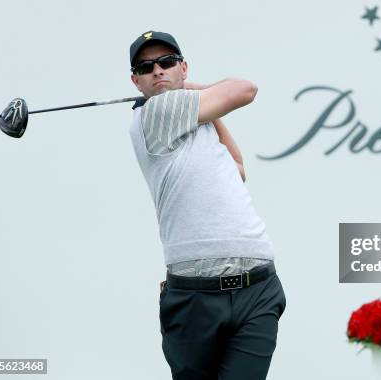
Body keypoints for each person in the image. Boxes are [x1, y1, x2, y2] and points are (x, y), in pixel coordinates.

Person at [127, 30, 286, 380]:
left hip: (257, 287)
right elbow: (244, 88)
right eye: (146, 67)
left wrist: (190, 91)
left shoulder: (193, 116)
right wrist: (187, 87)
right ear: (135, 80)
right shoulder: (159, 112)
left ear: (183, 67)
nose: (158, 71)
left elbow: (238, 168)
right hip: (195, 299)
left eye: (167, 63)